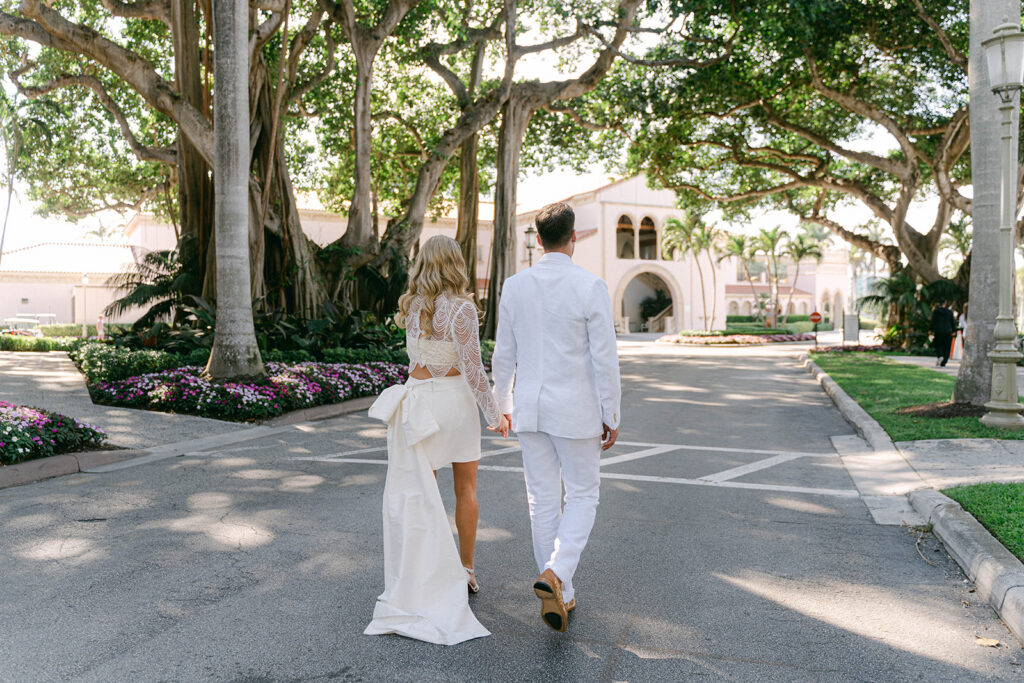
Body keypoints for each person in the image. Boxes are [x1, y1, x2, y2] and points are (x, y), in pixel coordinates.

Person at [364, 235, 509, 646]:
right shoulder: (462, 309)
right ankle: (465, 568)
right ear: (456, 263)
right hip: (454, 405)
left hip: (417, 403)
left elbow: (416, 361)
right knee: (465, 488)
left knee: (418, 492)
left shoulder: (410, 306)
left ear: (424, 263)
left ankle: (420, 572)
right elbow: (474, 370)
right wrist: (496, 415)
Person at [491, 201, 622, 632]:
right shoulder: (590, 286)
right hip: (576, 410)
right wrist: (612, 412)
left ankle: (561, 593)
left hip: (530, 409)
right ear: (574, 237)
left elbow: (503, 354)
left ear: (539, 239)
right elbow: (604, 358)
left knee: (542, 501)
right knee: (583, 495)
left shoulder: (514, 285)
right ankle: (557, 574)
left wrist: (502, 406)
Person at [930, 298, 955, 367]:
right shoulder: (949, 312)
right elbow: (952, 322)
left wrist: (931, 330)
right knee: (947, 347)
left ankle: (940, 356)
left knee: (937, 344)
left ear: (939, 304)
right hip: (948, 331)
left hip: (938, 331)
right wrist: (953, 331)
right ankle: (944, 362)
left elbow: (933, 321)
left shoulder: (936, 311)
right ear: (945, 303)